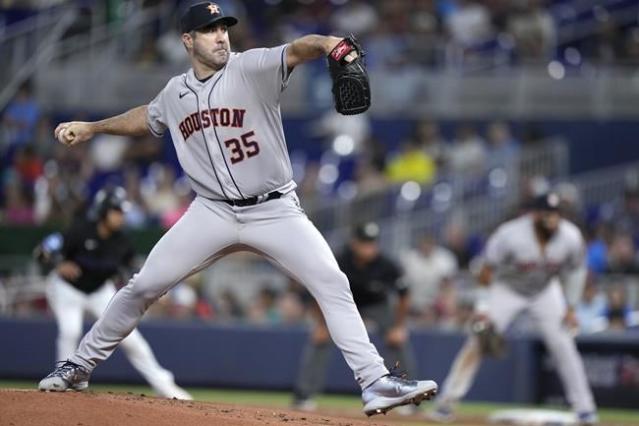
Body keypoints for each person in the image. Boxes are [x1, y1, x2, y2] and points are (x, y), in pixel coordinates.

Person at [38, 2, 436, 416]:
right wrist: (93, 127)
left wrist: (331, 43)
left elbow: (301, 48)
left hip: (274, 209)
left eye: (223, 27)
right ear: (188, 40)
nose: (221, 35)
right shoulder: (176, 92)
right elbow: (149, 117)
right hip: (211, 212)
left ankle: (374, 382)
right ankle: (78, 366)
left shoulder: (252, 67)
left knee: (332, 281)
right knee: (142, 287)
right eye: (209, 29)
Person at [428, 193, 597, 425]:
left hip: (545, 291)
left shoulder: (570, 236)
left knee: (564, 345)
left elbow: (577, 271)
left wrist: (571, 306)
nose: (553, 220)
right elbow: (486, 271)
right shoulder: (511, 234)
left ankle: (585, 408)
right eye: (548, 214)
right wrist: (484, 307)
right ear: (535, 214)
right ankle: (447, 402)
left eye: (557, 215)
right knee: (478, 340)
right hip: (507, 289)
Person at [35, 187, 191, 400]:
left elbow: (134, 272)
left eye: (122, 212)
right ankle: (64, 381)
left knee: (132, 339)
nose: (121, 216)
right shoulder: (79, 230)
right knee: (70, 330)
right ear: (103, 211)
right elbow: (42, 251)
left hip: (100, 290)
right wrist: (58, 263)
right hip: (67, 288)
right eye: (116, 211)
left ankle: (166, 386)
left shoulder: (122, 242)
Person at [292, 222, 417, 410]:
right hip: (342, 304)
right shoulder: (339, 260)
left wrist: (398, 327)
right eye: (364, 242)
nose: (369, 248)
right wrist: (320, 324)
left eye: (372, 243)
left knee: (398, 341)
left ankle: (409, 398)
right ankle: (304, 395)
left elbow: (404, 295)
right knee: (319, 340)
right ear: (354, 243)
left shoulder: (387, 264)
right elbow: (319, 289)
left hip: (377, 304)